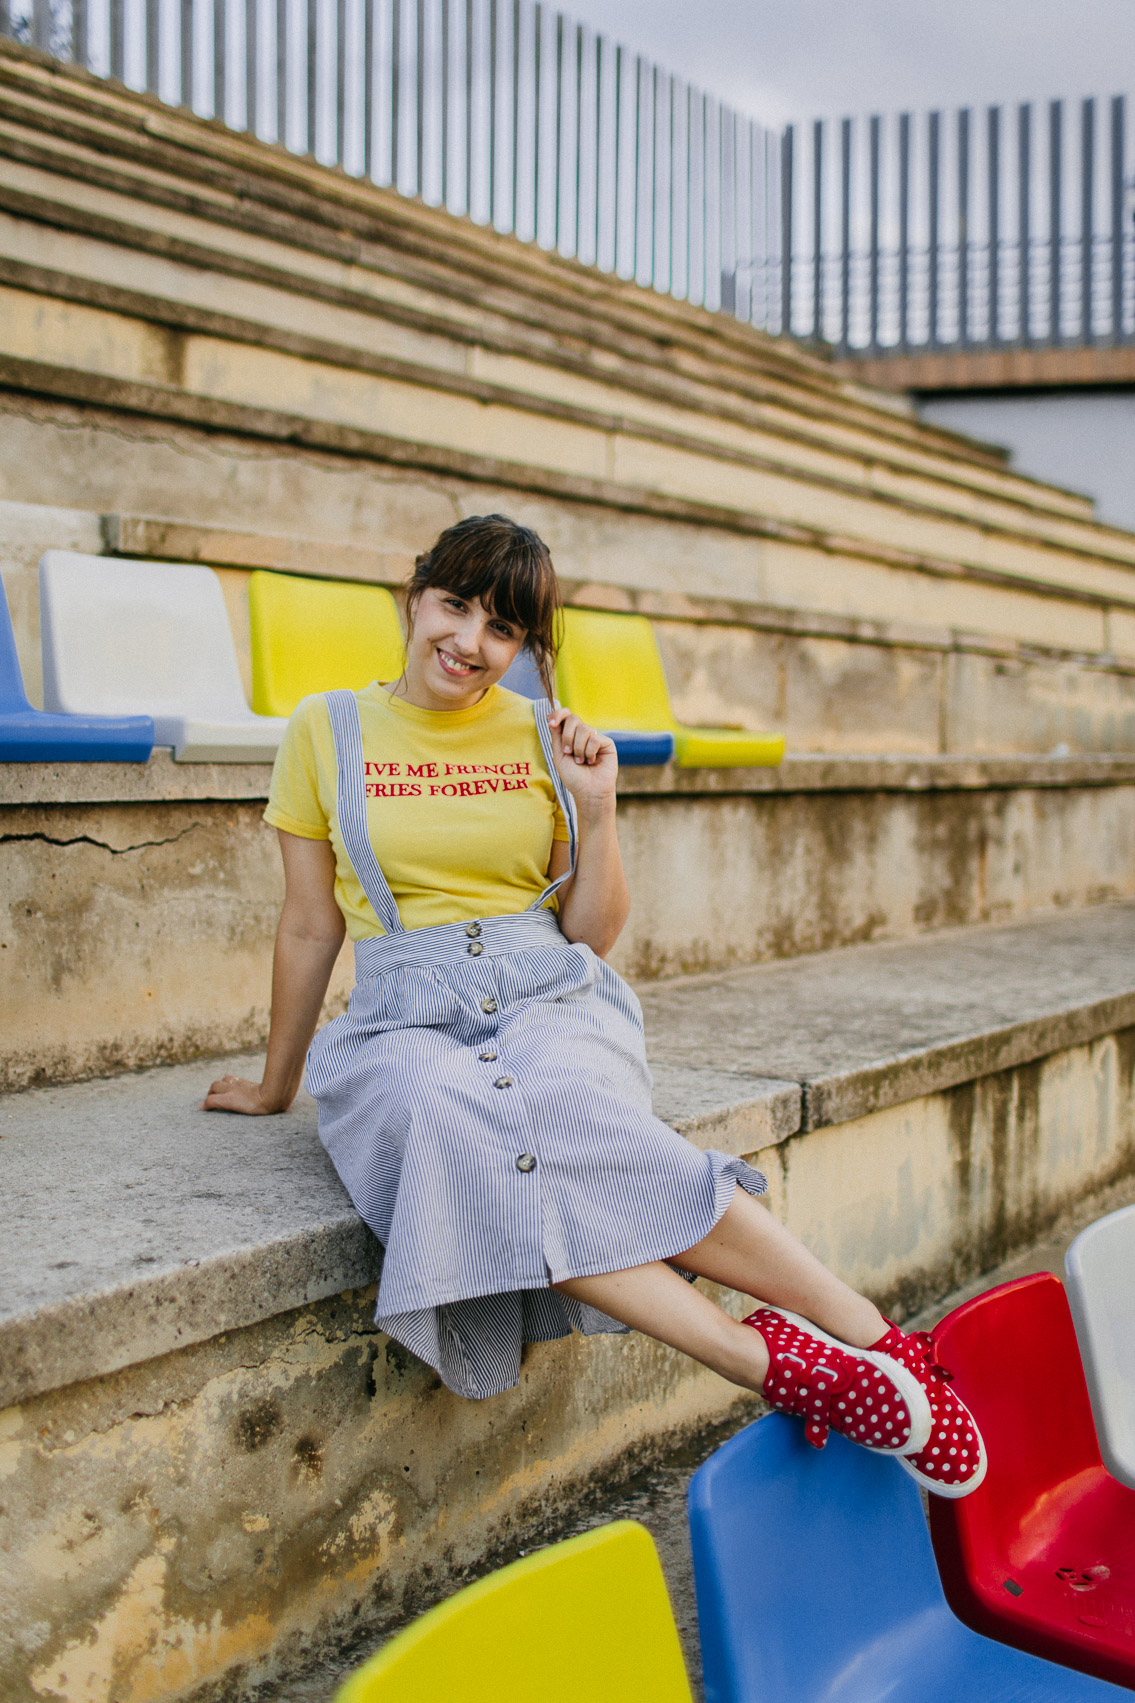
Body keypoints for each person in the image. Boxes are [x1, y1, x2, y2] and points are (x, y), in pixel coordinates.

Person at [204, 514, 984, 1498]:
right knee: (452, 1121)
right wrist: (280, 1083)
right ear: (414, 599)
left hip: (547, 988)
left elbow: (591, 931)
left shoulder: (543, 734)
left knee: (570, 1111)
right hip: (401, 1010)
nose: (469, 643)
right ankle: (771, 1363)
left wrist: (599, 803)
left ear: (525, 647)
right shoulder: (326, 728)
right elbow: (311, 923)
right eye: (455, 606)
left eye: (502, 629)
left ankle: (881, 1343)